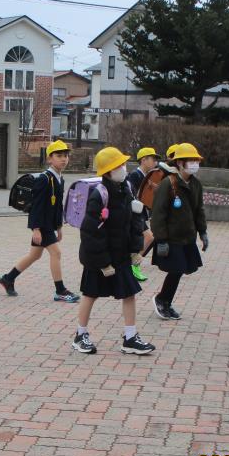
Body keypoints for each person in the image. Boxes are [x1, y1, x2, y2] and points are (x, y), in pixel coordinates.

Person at [71, 147, 155, 356]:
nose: (123, 168)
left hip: (120, 255)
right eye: (119, 165)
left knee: (129, 293)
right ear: (108, 171)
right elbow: (90, 232)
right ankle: (80, 335)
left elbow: (135, 221)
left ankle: (130, 337)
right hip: (98, 257)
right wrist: (103, 262)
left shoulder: (126, 189)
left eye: (123, 164)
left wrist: (135, 250)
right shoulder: (99, 195)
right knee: (90, 294)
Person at [0, 140, 79, 303]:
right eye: (59, 156)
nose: (64, 159)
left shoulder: (60, 178)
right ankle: (60, 291)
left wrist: (59, 227)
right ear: (49, 159)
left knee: (34, 255)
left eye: (65, 156)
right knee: (56, 253)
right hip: (42, 225)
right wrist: (35, 228)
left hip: (49, 225)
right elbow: (36, 206)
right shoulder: (44, 179)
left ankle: (8, 278)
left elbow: (57, 206)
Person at [149, 143, 208, 320]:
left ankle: (165, 301)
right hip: (171, 237)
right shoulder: (168, 184)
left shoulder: (196, 184)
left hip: (187, 237)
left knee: (181, 270)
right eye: (191, 160)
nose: (195, 164)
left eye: (196, 160)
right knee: (177, 269)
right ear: (180, 163)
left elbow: (199, 210)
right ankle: (161, 299)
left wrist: (203, 232)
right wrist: (161, 240)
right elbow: (158, 214)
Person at [126, 146, 161, 282]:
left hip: (141, 213)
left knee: (147, 238)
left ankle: (133, 266)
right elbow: (132, 195)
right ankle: (132, 266)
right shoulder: (135, 175)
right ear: (143, 160)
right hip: (135, 213)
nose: (155, 162)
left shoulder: (147, 176)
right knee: (149, 237)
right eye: (153, 159)